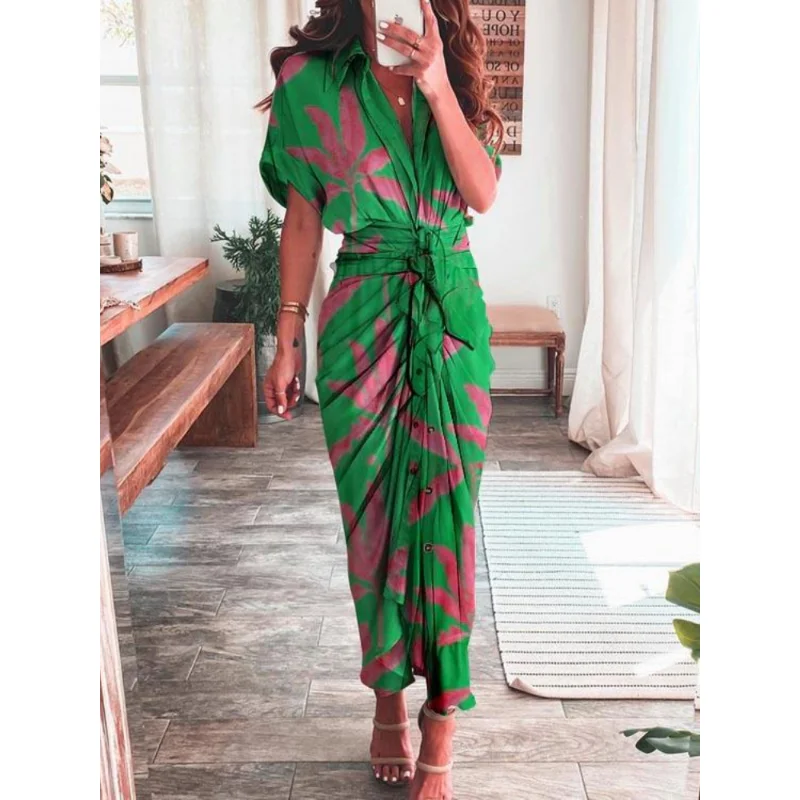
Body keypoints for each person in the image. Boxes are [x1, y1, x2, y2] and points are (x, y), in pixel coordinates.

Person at [258, 1, 502, 797]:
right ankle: (388, 696)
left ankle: (443, 719)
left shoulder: (454, 63)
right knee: (372, 528)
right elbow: (304, 218)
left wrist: (437, 85)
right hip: (362, 321)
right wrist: (286, 336)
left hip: (450, 320)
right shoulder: (310, 79)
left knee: (448, 521)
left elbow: (481, 193)